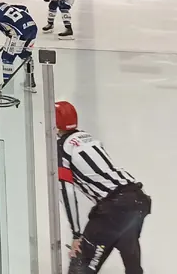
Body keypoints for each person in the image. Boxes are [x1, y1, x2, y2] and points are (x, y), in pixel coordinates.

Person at [55, 100, 151, 274]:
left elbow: (66, 191)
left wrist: (76, 234)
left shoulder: (62, 149)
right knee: (130, 256)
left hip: (114, 208)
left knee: (81, 267)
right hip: (138, 199)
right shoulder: (87, 137)